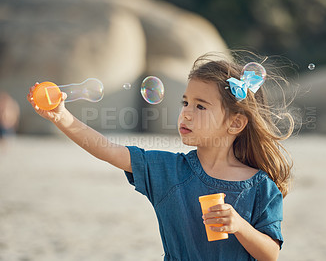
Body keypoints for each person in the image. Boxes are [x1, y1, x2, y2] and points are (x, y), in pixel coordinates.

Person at [27, 52, 294, 261]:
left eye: (200, 106)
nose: (187, 113)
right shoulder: (169, 171)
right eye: (185, 102)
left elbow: (270, 254)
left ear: (235, 124)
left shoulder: (261, 186)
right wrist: (61, 117)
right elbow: (108, 150)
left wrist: (239, 225)